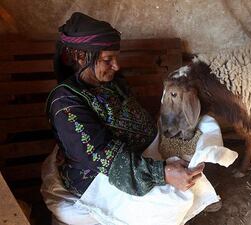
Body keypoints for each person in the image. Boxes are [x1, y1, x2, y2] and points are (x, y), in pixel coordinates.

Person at [44, 11, 204, 207]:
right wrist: (163, 173)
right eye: (108, 59)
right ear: (80, 56)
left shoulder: (113, 83)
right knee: (172, 201)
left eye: (116, 58)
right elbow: (103, 156)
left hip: (142, 155)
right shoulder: (66, 101)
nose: (116, 66)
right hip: (100, 176)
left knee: (202, 147)